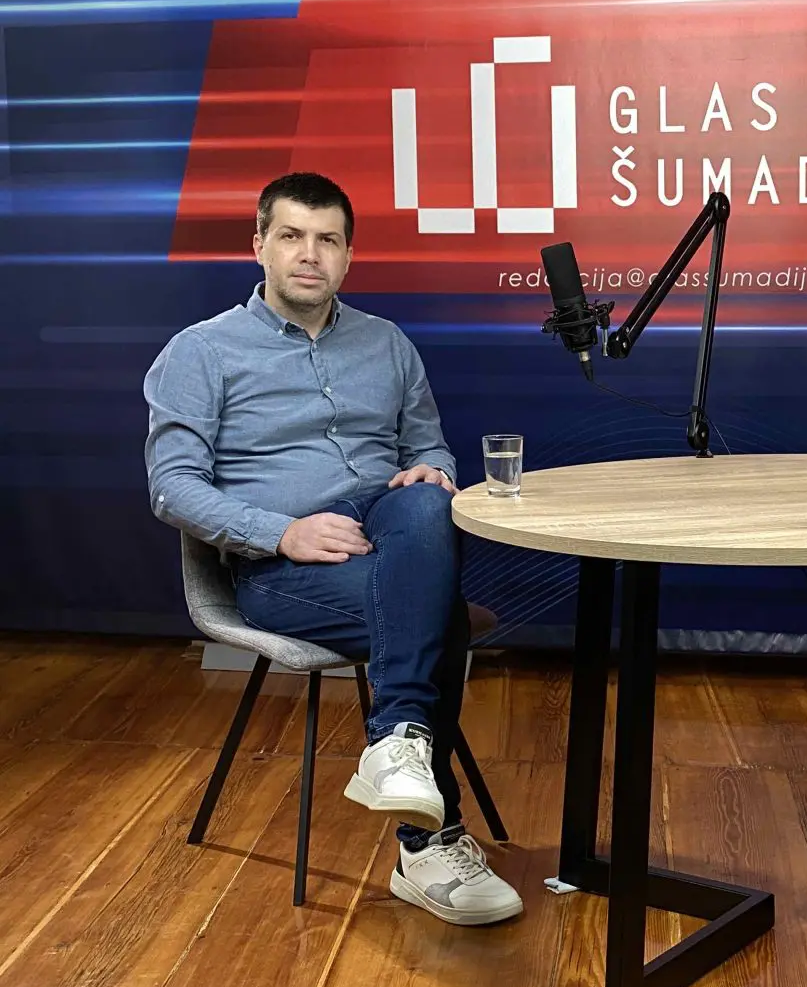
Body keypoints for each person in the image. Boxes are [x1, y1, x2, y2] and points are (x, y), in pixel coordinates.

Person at [144, 172, 523, 926]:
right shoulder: (201, 351)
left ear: (349, 255)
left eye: (328, 240)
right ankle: (427, 842)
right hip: (279, 566)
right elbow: (171, 488)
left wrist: (433, 468)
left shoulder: (386, 343)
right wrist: (282, 531)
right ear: (259, 245)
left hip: (389, 535)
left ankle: (397, 742)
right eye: (291, 236)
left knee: (426, 498)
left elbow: (428, 446)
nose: (309, 254)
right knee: (440, 619)